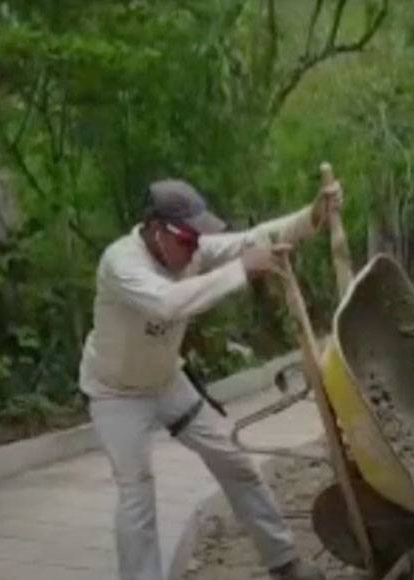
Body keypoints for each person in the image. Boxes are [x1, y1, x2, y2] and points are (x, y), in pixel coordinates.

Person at [79, 177, 340, 580]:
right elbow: (168, 304)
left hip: (167, 381)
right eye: (186, 238)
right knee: (136, 495)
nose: (194, 247)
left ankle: (285, 564)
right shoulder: (120, 263)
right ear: (154, 229)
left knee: (234, 461)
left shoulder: (192, 250)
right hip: (116, 394)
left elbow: (253, 239)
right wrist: (240, 270)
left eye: (199, 239)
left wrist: (312, 216)